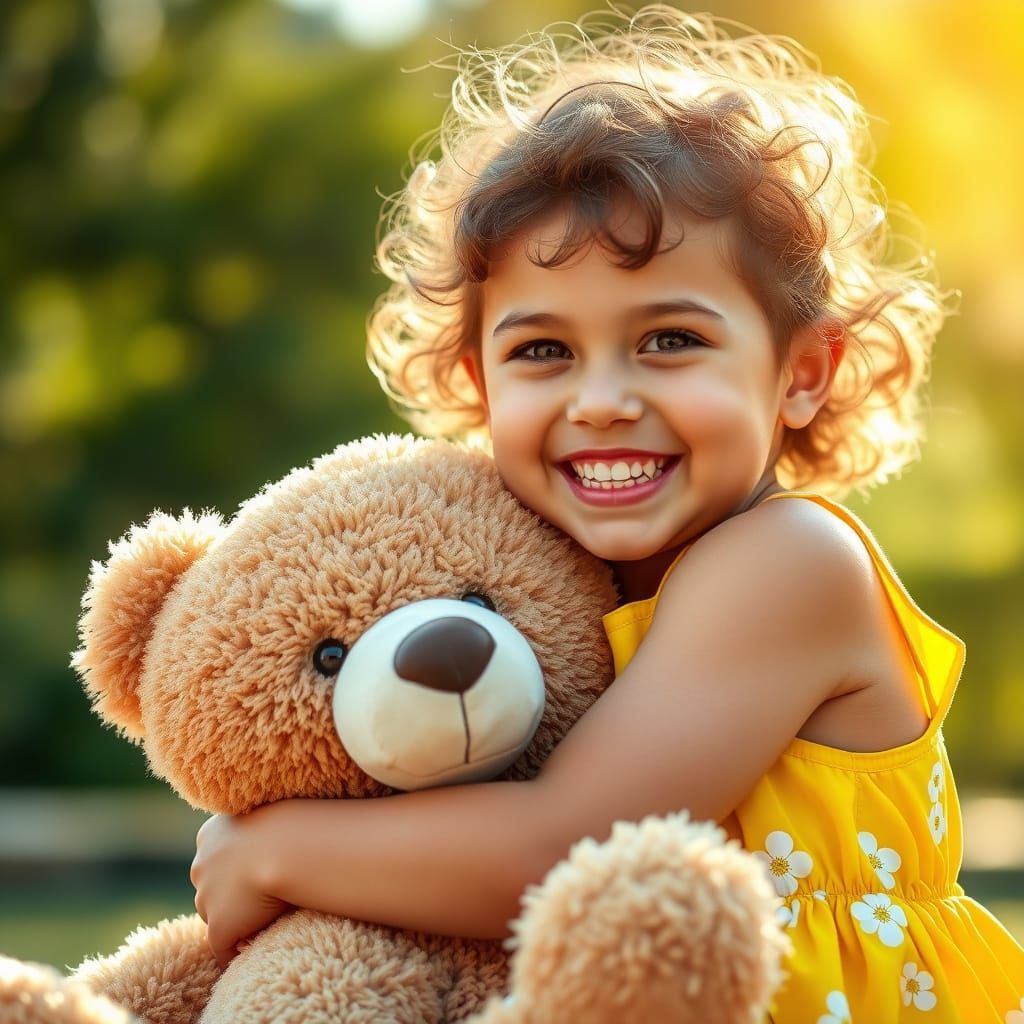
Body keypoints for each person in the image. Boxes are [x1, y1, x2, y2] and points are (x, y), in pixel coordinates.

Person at [191, 6, 1024, 1018]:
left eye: (670, 339)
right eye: (542, 351)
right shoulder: (541, 582)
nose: (600, 399)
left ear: (802, 371)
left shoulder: (788, 561)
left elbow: (561, 844)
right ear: (479, 380)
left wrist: (275, 847)